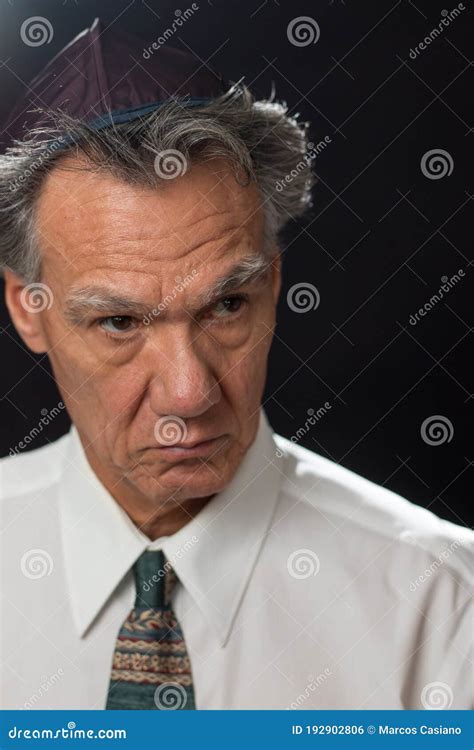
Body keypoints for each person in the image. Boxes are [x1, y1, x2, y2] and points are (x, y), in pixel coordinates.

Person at [0, 18, 471, 711]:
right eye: (120, 322)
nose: (189, 395)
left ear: (274, 285)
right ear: (28, 310)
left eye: (226, 307)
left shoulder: (443, 608)